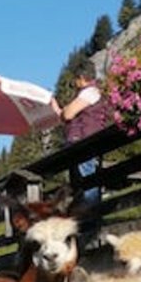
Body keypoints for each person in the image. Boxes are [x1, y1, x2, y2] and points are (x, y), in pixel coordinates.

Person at [61, 71, 108, 205]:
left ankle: (91, 217)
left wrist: (65, 110)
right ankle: (87, 217)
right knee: (83, 181)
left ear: (81, 78)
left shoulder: (90, 92)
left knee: (88, 180)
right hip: (83, 142)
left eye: (75, 80)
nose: (75, 84)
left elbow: (69, 114)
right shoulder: (91, 92)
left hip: (85, 141)